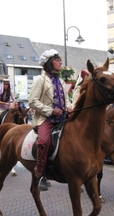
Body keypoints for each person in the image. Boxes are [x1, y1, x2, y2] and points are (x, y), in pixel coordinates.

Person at [28, 49, 73, 191]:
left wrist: (70, 107)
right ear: (49, 63)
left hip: (62, 119)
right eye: (57, 60)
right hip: (45, 119)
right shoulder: (40, 80)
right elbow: (32, 101)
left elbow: (67, 100)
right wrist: (50, 111)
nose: (60, 62)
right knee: (44, 141)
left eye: (60, 59)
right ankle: (41, 174)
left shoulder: (60, 80)